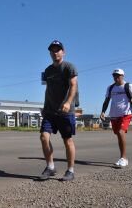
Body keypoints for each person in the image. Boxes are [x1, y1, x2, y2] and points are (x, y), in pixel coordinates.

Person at [39, 40, 78, 181]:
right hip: (50, 110)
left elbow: (73, 85)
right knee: (44, 137)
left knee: (67, 140)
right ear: (50, 53)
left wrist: (68, 102)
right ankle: (50, 167)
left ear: (63, 52)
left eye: (58, 50)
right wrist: (44, 106)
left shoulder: (69, 67)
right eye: (52, 50)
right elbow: (47, 90)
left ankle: (70, 170)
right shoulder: (47, 71)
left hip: (65, 111)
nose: (55, 52)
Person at [100, 68, 132, 168]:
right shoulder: (110, 88)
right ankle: (123, 158)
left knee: (120, 132)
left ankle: (123, 158)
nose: (116, 77)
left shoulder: (128, 86)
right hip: (114, 114)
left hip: (126, 113)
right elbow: (106, 101)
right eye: (114, 76)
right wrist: (103, 112)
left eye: (118, 76)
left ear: (123, 76)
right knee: (118, 134)